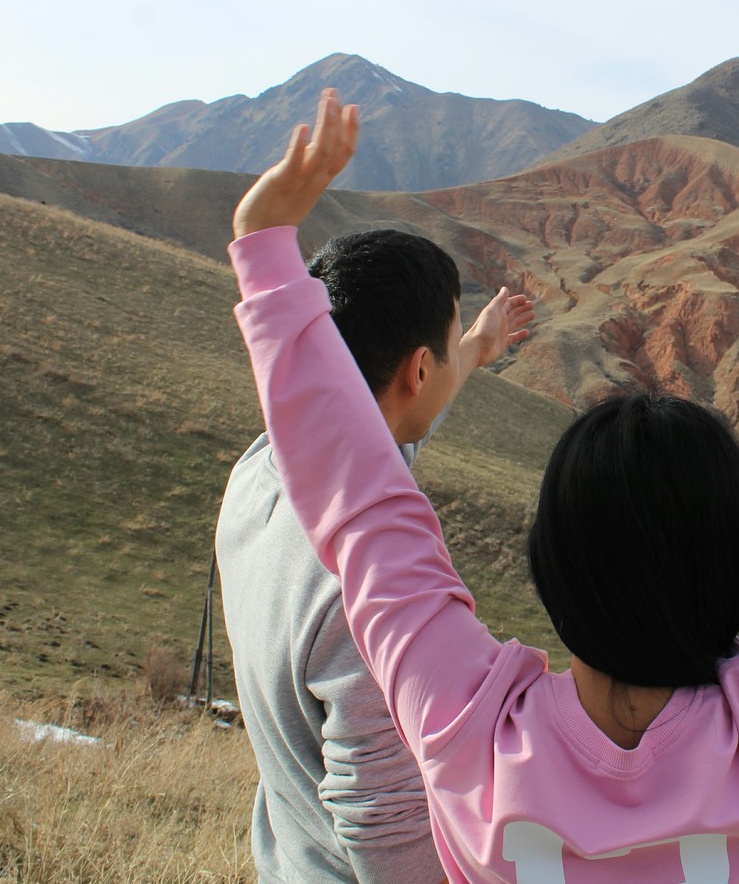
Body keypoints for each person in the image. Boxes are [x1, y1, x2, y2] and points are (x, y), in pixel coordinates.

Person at [227, 85, 739, 882]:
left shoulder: (465, 730)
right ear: (736, 569)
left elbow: (363, 508)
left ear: (551, 566)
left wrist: (268, 254)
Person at [217, 89, 535, 884]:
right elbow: (391, 840)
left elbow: (368, 424)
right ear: (414, 369)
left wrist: (475, 349)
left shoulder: (261, 473)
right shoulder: (366, 598)